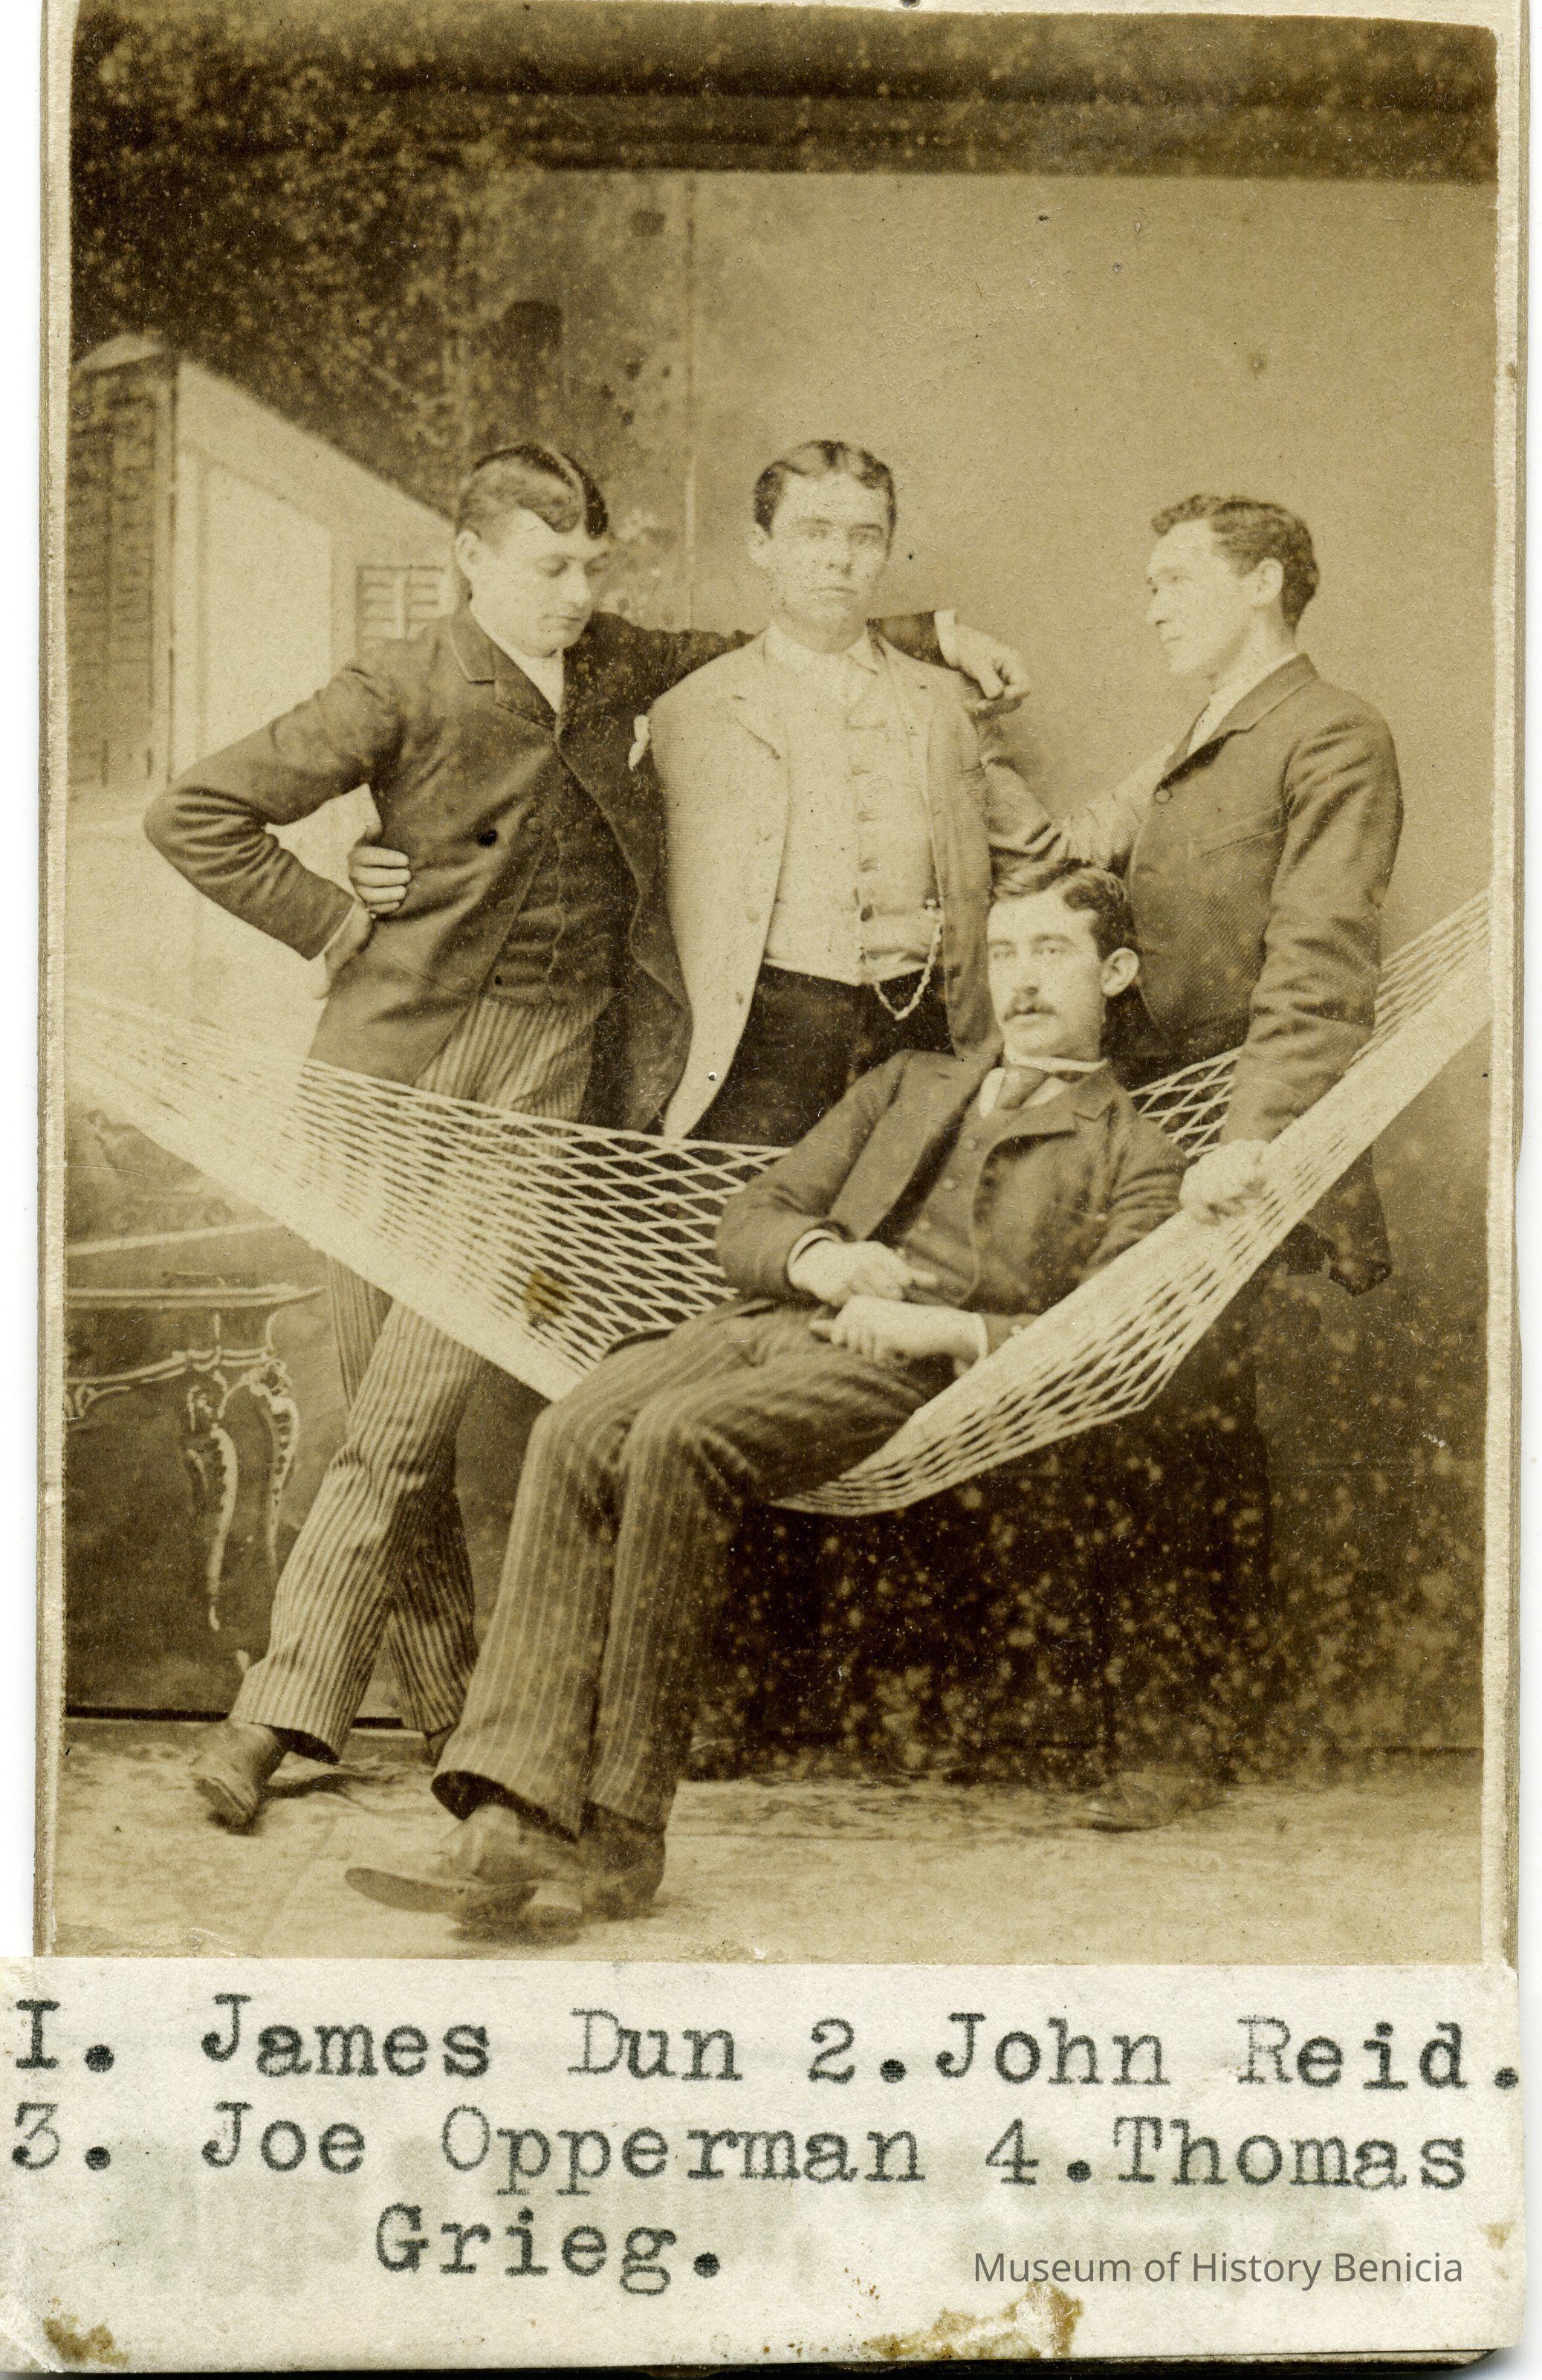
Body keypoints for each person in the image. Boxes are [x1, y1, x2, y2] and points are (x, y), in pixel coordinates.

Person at [144, 440, 1029, 1828]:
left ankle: (274, 1713)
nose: (574, 594)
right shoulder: (398, 681)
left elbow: (775, 633)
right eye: (547, 567)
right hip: (383, 1074)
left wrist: (936, 632)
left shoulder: (616, 661)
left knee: (403, 1415)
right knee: (389, 1412)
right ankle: (450, 1713)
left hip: (541, 1077)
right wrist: (332, 914)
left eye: (588, 568)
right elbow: (193, 811)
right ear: (471, 557)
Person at [345, 863, 1189, 1940]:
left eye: (1053, 953)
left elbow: (1104, 1337)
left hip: (900, 1370)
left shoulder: (1138, 1153)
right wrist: (821, 1259)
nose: (1021, 981)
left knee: (678, 1438)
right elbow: (754, 1214)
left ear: (1114, 972)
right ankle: (512, 1811)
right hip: (761, 1321)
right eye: (1006, 953)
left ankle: (620, 1829)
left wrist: (948, 1330)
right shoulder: (910, 1081)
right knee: (575, 1426)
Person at [1008, 497, 1404, 1823]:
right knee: (1158, 1416)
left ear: (1266, 582)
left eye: (1177, 577)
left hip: (1240, 1143)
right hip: (1154, 1133)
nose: (1154, 603)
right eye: (1149, 580)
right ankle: (1163, 1720)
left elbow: (1321, 963)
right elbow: (1079, 850)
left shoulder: (1332, 732)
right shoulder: (1196, 739)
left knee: (1179, 1421)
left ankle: (1174, 1736)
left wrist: (1249, 1145)